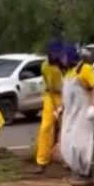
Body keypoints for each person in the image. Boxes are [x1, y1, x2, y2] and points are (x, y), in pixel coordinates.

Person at [60, 44, 94, 186]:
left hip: (83, 114)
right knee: (68, 143)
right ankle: (76, 172)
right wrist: (61, 108)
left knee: (80, 143)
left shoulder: (84, 69)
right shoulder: (68, 73)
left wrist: (93, 106)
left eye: (64, 56)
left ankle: (85, 174)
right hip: (70, 114)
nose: (61, 59)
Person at [35, 40, 64, 173]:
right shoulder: (45, 66)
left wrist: (63, 105)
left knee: (67, 127)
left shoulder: (66, 64)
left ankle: (70, 160)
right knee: (46, 127)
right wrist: (55, 107)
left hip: (66, 95)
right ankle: (42, 161)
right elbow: (49, 87)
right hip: (51, 96)